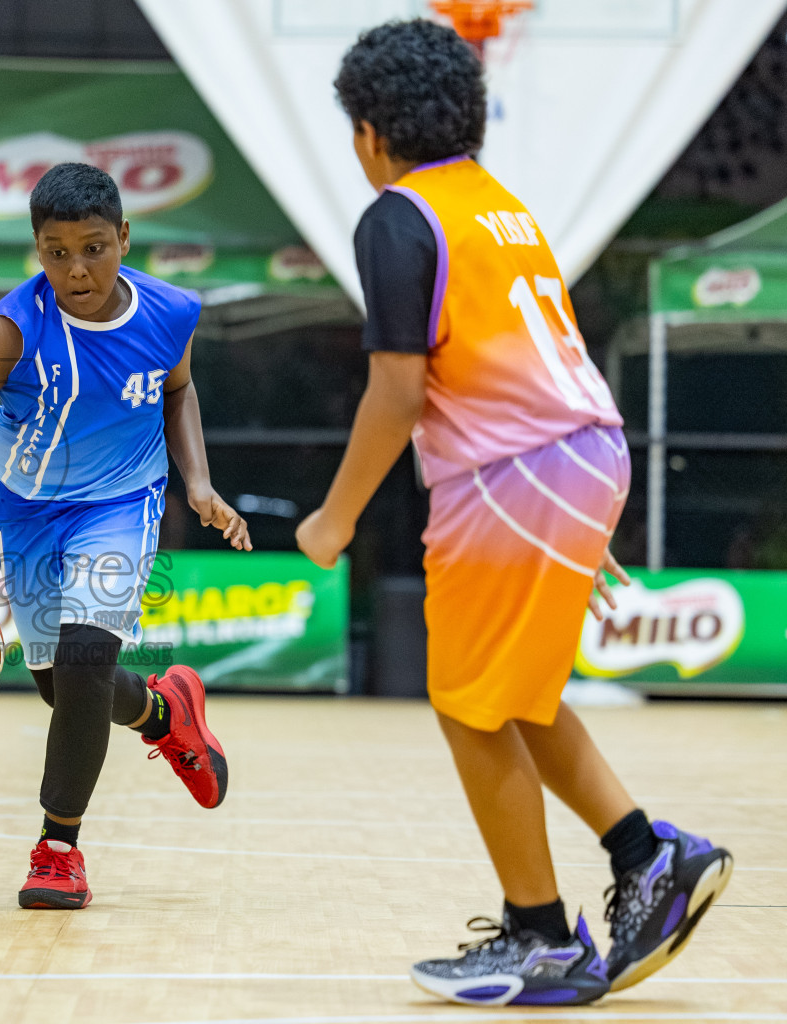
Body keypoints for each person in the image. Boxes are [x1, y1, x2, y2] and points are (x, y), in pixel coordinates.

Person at [296, 19, 734, 1007]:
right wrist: (580, 513)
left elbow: (398, 393)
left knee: (468, 703)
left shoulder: (400, 217)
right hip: (576, 458)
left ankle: (539, 936)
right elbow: (548, 369)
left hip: (516, 474)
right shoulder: (504, 209)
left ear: (368, 134)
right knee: (521, 696)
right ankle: (649, 857)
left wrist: (334, 517)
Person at [0, 163, 251, 910]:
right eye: (56, 252)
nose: (77, 268)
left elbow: (178, 389)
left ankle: (58, 848)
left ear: (124, 237)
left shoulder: (171, 312)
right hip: (27, 511)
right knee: (61, 686)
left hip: (122, 502)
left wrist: (197, 483)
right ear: (37, 250)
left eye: (93, 247)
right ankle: (166, 714)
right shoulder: (11, 328)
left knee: (88, 657)